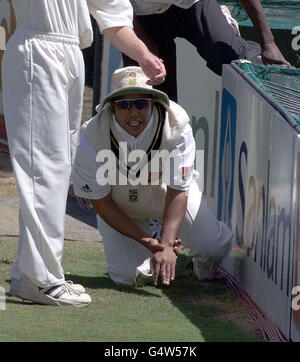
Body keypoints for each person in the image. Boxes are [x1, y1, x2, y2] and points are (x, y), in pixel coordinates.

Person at [2, 0, 166, 307]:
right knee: (43, 169)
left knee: (57, 168)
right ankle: (43, 279)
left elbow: (111, 12)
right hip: (37, 47)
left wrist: (143, 55)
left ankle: (30, 275)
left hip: (70, 53)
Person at [72, 66, 233, 287]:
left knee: (212, 247)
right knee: (128, 277)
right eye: (124, 105)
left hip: (168, 199)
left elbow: (178, 190)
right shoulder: (90, 136)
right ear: (112, 108)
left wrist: (166, 244)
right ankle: (156, 246)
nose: (133, 112)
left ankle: (191, 259)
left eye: (140, 104)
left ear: (153, 103)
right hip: (122, 207)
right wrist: (150, 243)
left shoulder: (176, 126)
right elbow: (102, 203)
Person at [122, 0, 290, 101]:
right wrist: (141, 43)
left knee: (228, 58)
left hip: (194, 5)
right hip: (142, 16)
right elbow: (117, 6)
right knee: (150, 93)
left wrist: (269, 43)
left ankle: (248, 50)